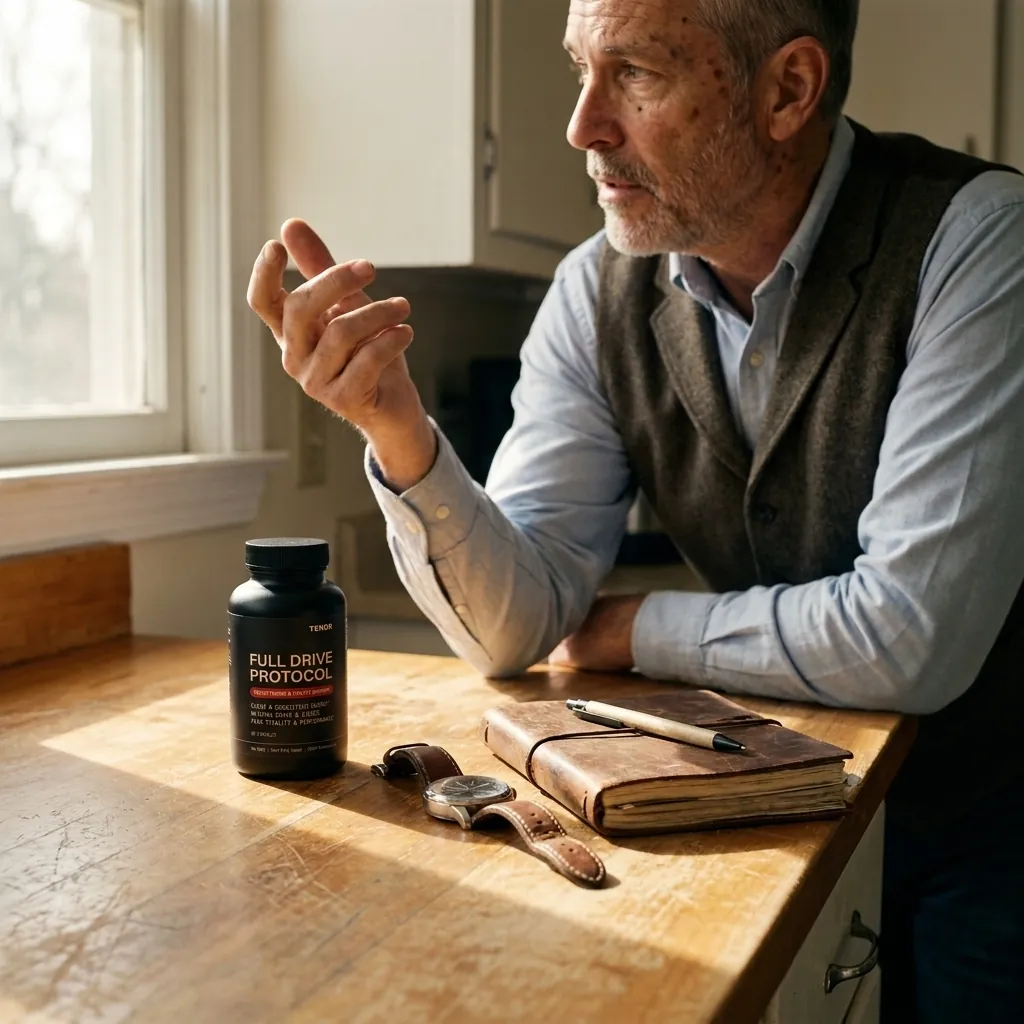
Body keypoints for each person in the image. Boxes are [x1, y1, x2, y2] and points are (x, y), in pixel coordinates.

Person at [248, 0, 1024, 1018]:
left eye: (636, 75)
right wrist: (395, 431)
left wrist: (629, 625)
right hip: (774, 818)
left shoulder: (978, 238)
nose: (580, 125)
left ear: (787, 89)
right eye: (580, 69)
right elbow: (512, 626)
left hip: (995, 823)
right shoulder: (593, 291)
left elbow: (911, 636)